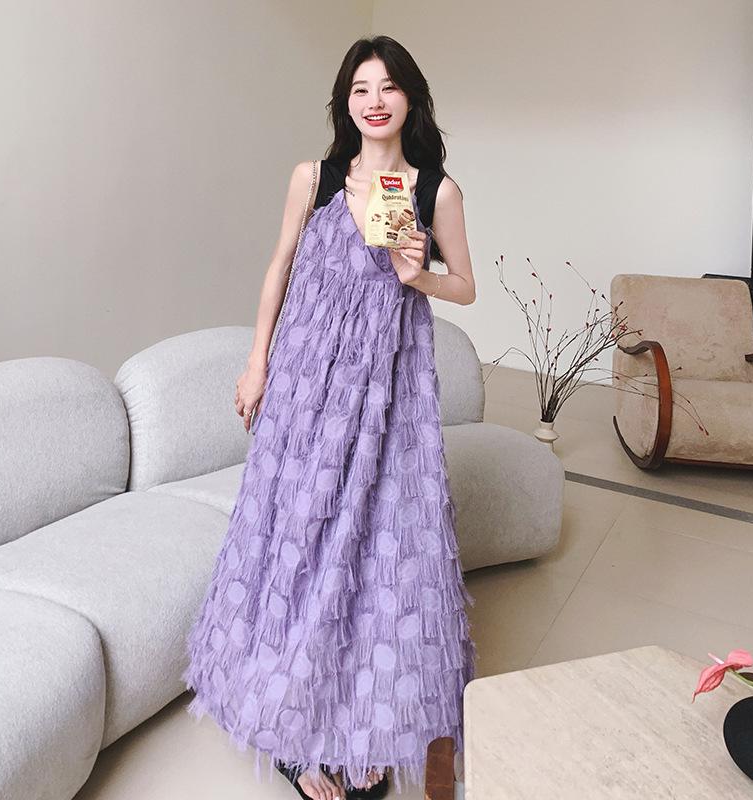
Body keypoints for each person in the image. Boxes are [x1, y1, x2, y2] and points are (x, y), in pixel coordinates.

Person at [182, 34, 477, 800]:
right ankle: (300, 734)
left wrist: (419, 274)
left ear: (411, 98)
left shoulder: (432, 190)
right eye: (360, 89)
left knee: (377, 548)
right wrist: (257, 362)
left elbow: (466, 286)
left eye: (388, 87)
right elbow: (279, 265)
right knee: (299, 538)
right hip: (306, 387)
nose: (374, 101)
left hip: (387, 396)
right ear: (345, 102)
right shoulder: (313, 179)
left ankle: (358, 726)